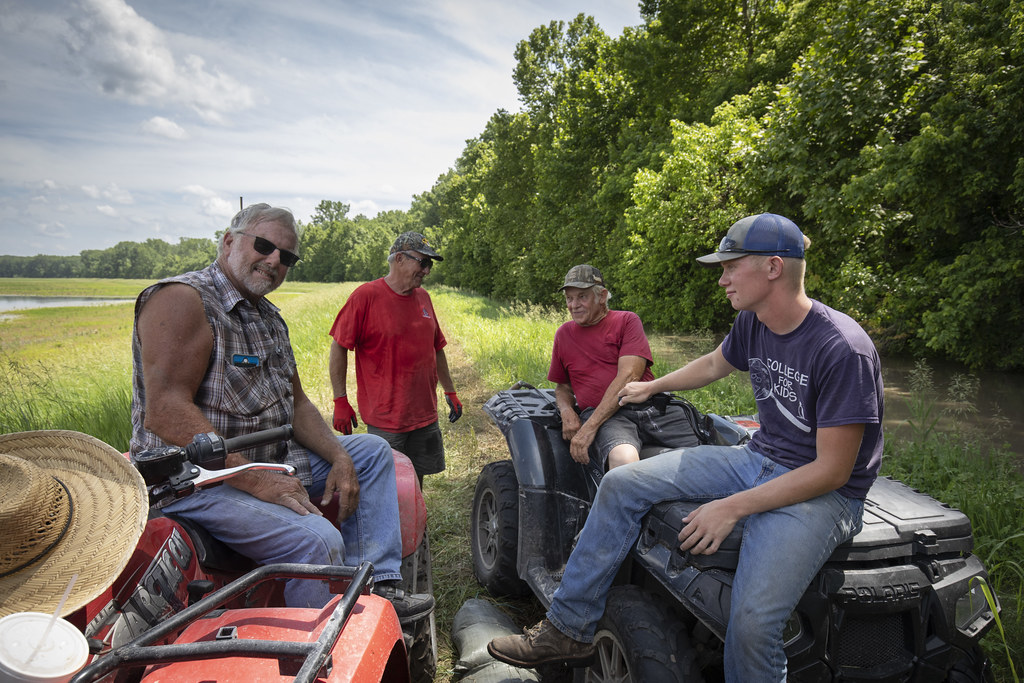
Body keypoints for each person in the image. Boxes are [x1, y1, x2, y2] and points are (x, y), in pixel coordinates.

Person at [488, 213, 884, 681]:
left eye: (730, 266)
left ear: (773, 268)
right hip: (757, 459)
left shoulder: (841, 347)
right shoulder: (753, 323)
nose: (722, 279)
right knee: (620, 484)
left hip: (823, 494)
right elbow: (716, 363)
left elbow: (833, 471)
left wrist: (731, 508)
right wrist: (653, 389)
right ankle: (568, 628)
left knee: (754, 624)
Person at [129, 203, 432, 621]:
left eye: (286, 256)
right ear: (230, 241)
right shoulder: (184, 299)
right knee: (318, 542)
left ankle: (379, 587)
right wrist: (254, 479)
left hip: (267, 462)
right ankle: (315, 651)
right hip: (196, 482)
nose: (274, 261)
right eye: (265, 246)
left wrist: (340, 456)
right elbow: (163, 411)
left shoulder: (268, 316)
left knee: (373, 451)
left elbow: (297, 405)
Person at [328, 231, 461, 484]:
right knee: (386, 485)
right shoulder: (365, 296)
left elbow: (437, 347)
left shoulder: (424, 298)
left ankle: (416, 524)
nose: (427, 271)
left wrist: (450, 391)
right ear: (399, 259)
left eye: (429, 265)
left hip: (424, 414)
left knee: (415, 483)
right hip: (386, 419)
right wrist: (340, 400)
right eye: (423, 263)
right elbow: (339, 346)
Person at [550, 264, 699, 470]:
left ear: (601, 296)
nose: (574, 305)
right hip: (607, 419)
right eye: (569, 298)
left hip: (651, 408)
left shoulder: (626, 321)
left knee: (706, 451)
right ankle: (632, 501)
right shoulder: (564, 334)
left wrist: (588, 429)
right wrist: (567, 411)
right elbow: (563, 387)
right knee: (623, 460)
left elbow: (629, 376)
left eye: (582, 297)